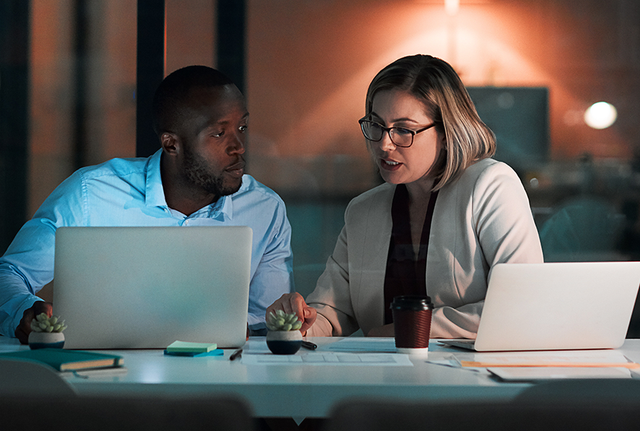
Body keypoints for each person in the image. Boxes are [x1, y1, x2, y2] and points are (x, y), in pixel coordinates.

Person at [0, 65, 293, 343]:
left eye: (242, 127)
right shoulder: (90, 194)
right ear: (171, 145)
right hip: (103, 379)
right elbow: (10, 274)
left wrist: (273, 322)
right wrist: (25, 312)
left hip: (221, 378)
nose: (238, 146)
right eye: (219, 133)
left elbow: (265, 320)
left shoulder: (265, 209)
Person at [268, 54, 543, 339]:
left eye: (403, 130)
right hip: (383, 378)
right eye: (376, 125)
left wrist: (408, 330)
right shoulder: (363, 210)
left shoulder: (491, 186)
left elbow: (525, 303)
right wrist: (297, 322)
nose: (385, 144)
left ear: (447, 132)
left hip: (472, 378)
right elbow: (331, 312)